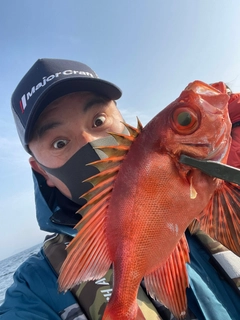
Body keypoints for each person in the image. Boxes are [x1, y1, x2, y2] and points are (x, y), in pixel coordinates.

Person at [0, 58, 239, 320]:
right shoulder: (33, 288)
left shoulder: (216, 182)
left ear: (122, 119)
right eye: (59, 143)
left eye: (99, 120)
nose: (91, 142)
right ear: (40, 170)